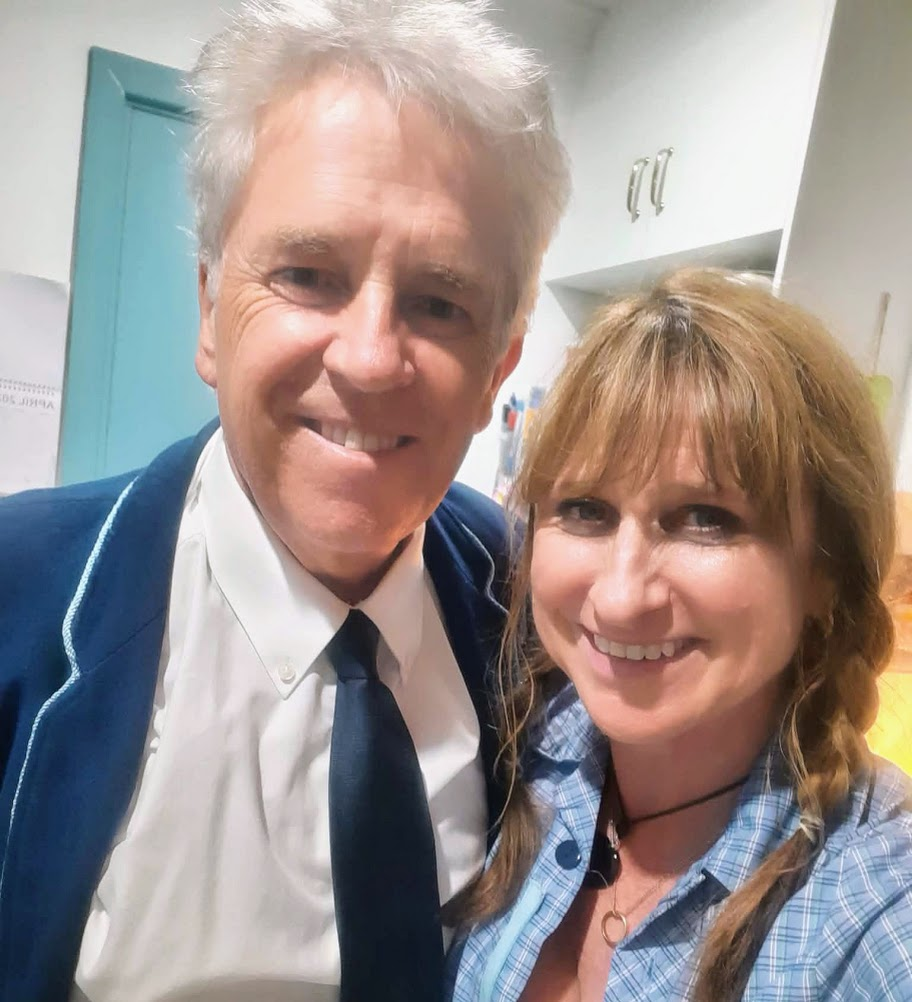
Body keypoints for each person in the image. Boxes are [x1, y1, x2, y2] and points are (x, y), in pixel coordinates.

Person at [0, 2, 570, 1000]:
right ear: (210, 310)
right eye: (307, 275)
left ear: (498, 368)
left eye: (439, 302)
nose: (370, 358)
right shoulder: (20, 592)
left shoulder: (536, 607)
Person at [447, 269, 912, 1001]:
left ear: (825, 571)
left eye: (706, 519)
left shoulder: (871, 903)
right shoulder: (524, 751)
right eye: (586, 509)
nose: (621, 597)